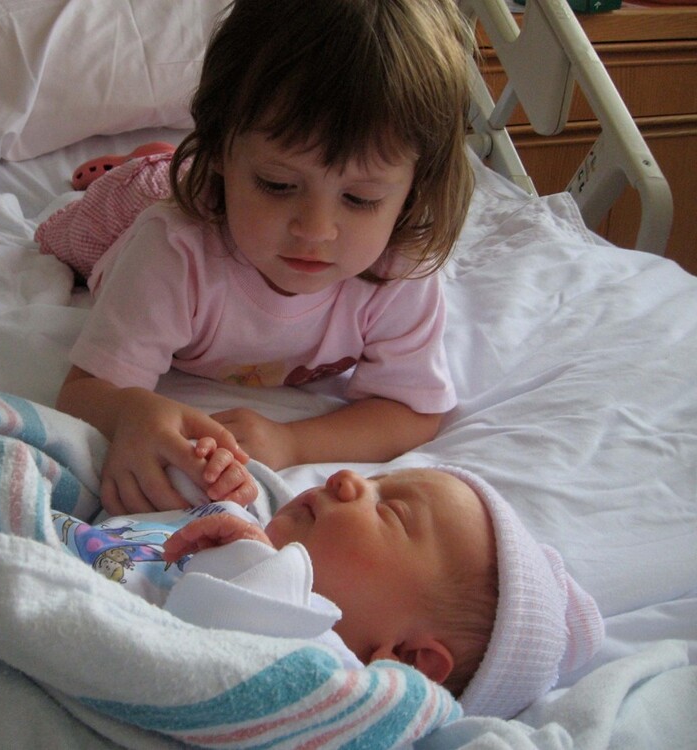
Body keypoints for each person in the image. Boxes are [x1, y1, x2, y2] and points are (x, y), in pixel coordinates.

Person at [48, 0, 476, 514]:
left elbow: (413, 412)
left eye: (360, 199)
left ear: (413, 189)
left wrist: (292, 442)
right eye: (277, 184)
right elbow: (82, 392)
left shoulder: (397, 271)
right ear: (218, 151)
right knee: (64, 237)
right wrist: (131, 409)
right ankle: (147, 162)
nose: (314, 231)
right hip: (131, 212)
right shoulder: (172, 251)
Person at [52, 440, 605, 719]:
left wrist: (250, 567)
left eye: (390, 511)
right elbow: (140, 505)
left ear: (408, 659)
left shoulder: (323, 678)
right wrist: (201, 469)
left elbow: (203, 663)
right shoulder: (251, 518)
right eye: (377, 478)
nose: (346, 479)